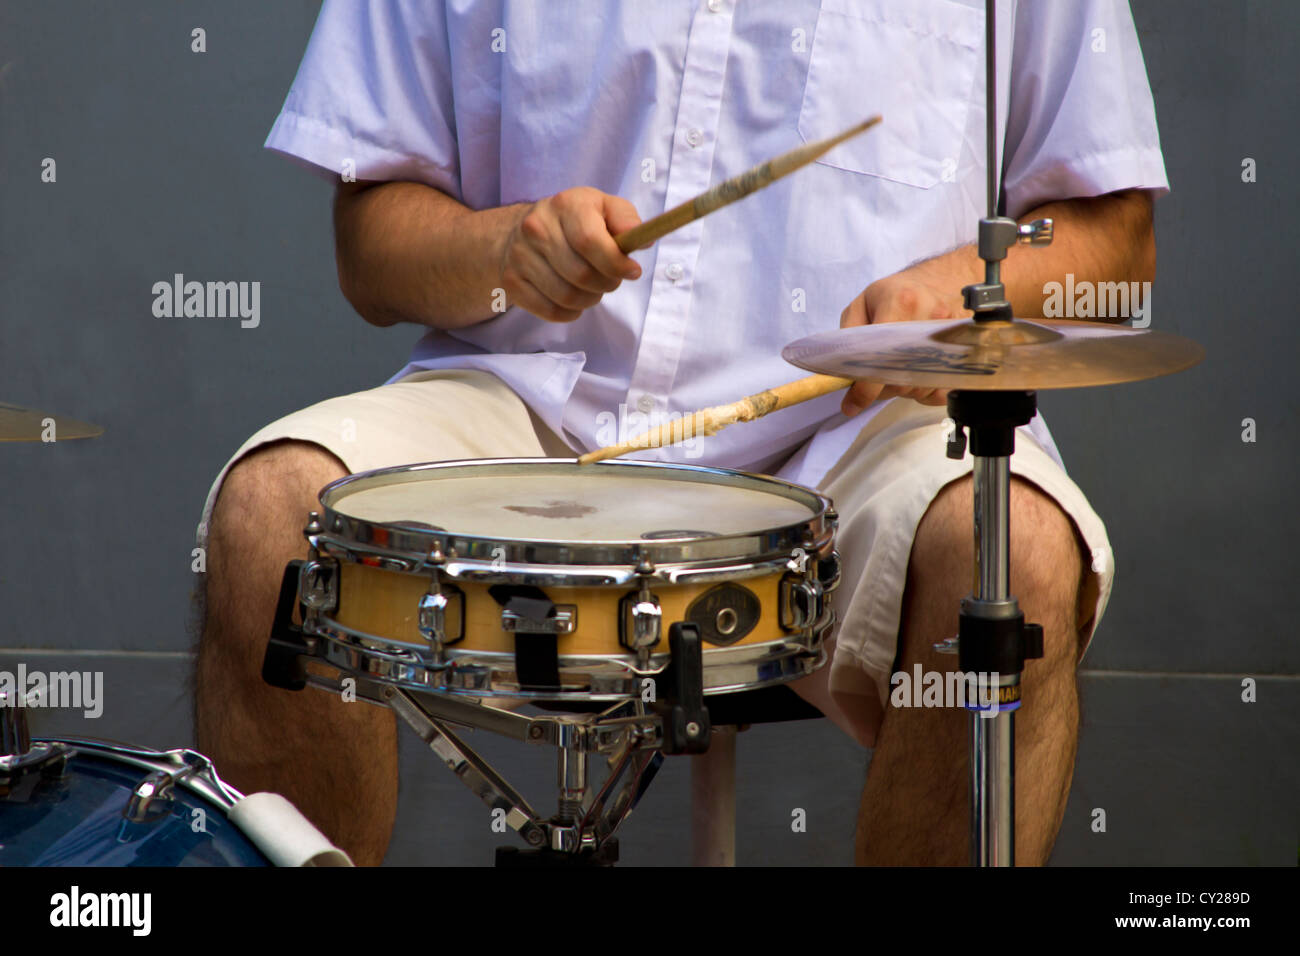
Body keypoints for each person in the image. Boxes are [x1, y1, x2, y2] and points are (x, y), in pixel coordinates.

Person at [195, 0, 1167, 865]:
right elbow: (370, 246)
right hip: (532, 401)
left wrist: (947, 302)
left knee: (1016, 559)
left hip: (852, 420)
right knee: (270, 512)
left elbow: (1112, 238)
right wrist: (502, 249)